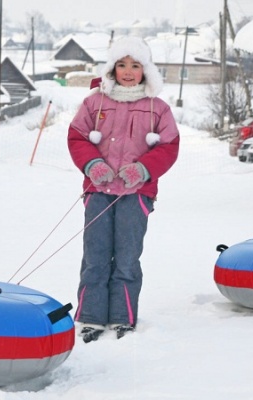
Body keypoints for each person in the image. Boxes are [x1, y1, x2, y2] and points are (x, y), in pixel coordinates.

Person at [67, 36, 179, 343]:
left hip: (136, 194)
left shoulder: (158, 108)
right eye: (121, 64)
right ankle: (91, 317)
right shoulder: (95, 102)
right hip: (99, 191)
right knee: (96, 254)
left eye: (135, 65)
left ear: (146, 70)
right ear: (112, 68)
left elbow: (169, 146)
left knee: (127, 256)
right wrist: (92, 165)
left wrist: (143, 169)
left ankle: (122, 317)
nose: (128, 71)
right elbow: (77, 137)